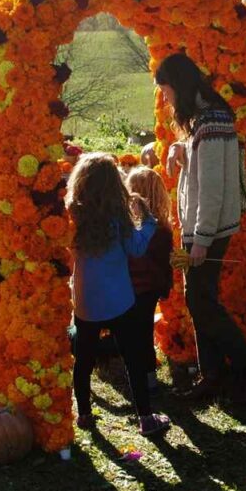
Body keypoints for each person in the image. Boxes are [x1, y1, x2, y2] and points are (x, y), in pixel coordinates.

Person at [155, 51, 246, 404]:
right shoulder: (205, 119)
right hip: (202, 228)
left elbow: (213, 189)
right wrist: (177, 148)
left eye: (167, 91)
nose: (166, 99)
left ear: (180, 87)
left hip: (209, 230)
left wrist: (200, 240)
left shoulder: (212, 122)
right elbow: (200, 153)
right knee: (200, 300)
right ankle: (212, 374)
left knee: (201, 302)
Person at [66, 153, 169, 436]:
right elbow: (136, 249)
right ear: (114, 184)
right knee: (133, 358)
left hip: (86, 301)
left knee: (83, 359)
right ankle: (146, 418)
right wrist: (147, 220)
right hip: (120, 301)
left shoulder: (73, 217)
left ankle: (84, 413)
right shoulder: (118, 219)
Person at [125, 166, 174, 394]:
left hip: (134, 288)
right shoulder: (163, 228)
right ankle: (148, 374)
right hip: (151, 288)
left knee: (136, 333)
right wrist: (165, 286)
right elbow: (166, 264)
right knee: (144, 331)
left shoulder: (132, 230)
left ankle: (142, 376)